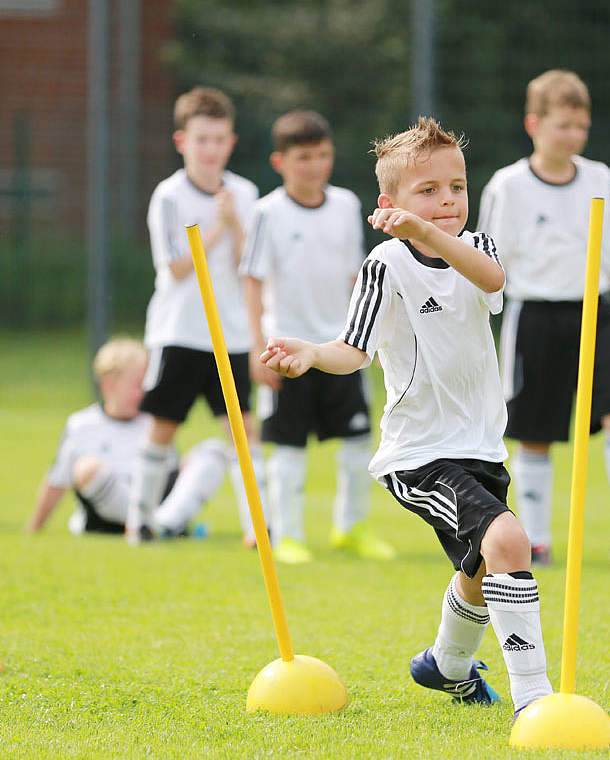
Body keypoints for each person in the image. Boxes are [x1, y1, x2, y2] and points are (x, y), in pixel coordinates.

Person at [260, 118, 552, 718]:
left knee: (481, 569)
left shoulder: (479, 249)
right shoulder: (386, 263)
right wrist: (311, 353)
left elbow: (492, 280)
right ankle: (535, 701)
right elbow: (354, 349)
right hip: (418, 454)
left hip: (481, 447)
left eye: (457, 187)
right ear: (390, 203)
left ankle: (445, 665)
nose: (447, 201)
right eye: (429, 191)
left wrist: (429, 231)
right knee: (508, 540)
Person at [477, 69, 610, 568]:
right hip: (532, 316)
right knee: (535, 429)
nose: (573, 136)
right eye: (563, 125)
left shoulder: (599, 178)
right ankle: (536, 540)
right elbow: (486, 262)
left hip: (595, 313)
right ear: (534, 124)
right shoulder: (508, 186)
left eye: (581, 126)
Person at [240, 110, 395, 564]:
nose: (314, 165)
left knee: (357, 444)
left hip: (339, 347)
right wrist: (256, 347)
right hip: (285, 351)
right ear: (280, 162)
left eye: (323, 155)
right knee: (288, 446)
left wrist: (372, 334)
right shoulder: (266, 212)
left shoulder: (346, 205)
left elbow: (356, 276)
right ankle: (287, 535)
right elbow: (252, 280)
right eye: (303, 157)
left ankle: (351, 528)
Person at [134, 85, 261, 546]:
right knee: (163, 426)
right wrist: (217, 224)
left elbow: (250, 264)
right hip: (180, 331)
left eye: (219, 139)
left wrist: (236, 221)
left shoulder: (245, 192)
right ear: (182, 142)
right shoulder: (169, 196)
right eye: (201, 139)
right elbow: (177, 266)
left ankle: (257, 527)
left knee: (242, 430)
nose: (211, 149)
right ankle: (139, 521)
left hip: (231, 333)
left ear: (232, 142)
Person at [28, 338, 229, 537]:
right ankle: (149, 526)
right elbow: (57, 481)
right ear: (109, 385)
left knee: (214, 451)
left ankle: (162, 524)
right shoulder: (81, 424)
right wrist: (34, 528)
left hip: (159, 499)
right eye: (138, 385)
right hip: (107, 516)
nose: (145, 392)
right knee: (87, 469)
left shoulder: (156, 420)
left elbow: (175, 472)